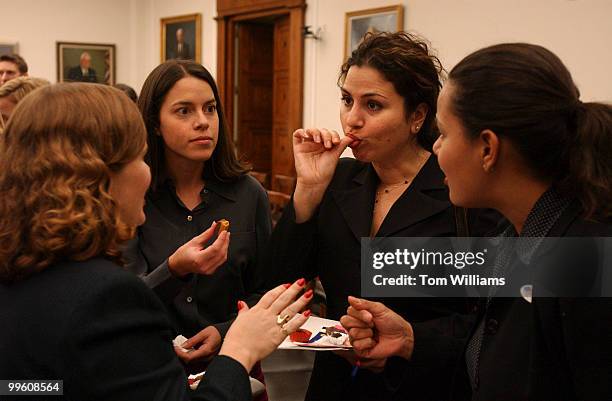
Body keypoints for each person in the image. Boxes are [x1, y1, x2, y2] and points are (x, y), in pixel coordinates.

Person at [0, 82, 311, 401]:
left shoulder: (20, 266)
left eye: (210, 108)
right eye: (140, 157)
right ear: (99, 176)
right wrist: (239, 350)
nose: (147, 174)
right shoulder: (107, 295)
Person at [342, 43, 612, 401]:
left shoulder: (585, 260)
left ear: (487, 149)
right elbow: (488, 344)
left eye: (445, 134)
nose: (436, 148)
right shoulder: (512, 237)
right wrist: (411, 339)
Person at [266, 31, 499, 401]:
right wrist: (308, 192)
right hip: (336, 385)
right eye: (347, 100)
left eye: (372, 106)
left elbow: (487, 318)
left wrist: (410, 339)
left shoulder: (460, 191)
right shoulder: (339, 179)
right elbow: (279, 286)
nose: (351, 120)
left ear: (417, 116)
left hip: (421, 383)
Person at [125, 60, 275, 389]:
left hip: (237, 367)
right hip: (152, 370)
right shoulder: (135, 193)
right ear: (154, 124)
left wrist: (224, 330)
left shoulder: (249, 195)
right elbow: (123, 301)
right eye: (184, 111)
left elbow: (267, 291)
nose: (202, 122)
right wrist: (173, 270)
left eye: (210, 109)